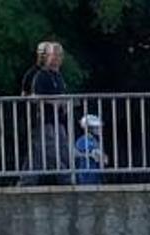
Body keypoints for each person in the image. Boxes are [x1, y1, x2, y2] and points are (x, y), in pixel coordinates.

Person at [24, 42, 70, 185]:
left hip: (58, 120)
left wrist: (65, 104)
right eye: (54, 55)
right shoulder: (39, 75)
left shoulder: (58, 76)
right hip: (44, 120)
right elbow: (33, 97)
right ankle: (67, 179)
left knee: (41, 153)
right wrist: (52, 102)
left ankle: (26, 181)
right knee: (50, 151)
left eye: (60, 55)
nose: (57, 59)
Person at [74, 114, 106, 184]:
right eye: (96, 128)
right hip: (86, 174)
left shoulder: (94, 140)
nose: (99, 129)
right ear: (90, 129)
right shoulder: (83, 140)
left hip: (95, 173)